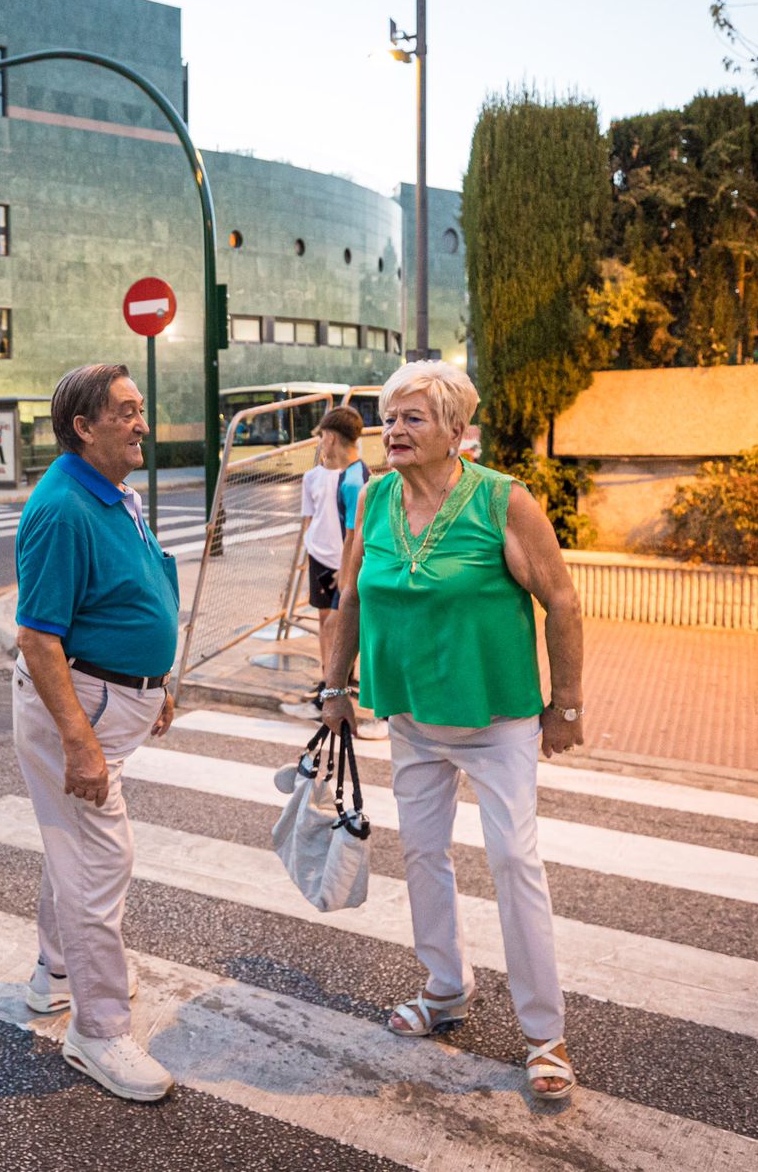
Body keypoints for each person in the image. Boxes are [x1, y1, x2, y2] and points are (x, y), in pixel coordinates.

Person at [317, 360, 584, 1101]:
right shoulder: (373, 500)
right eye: (389, 417)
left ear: (457, 432)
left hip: (495, 719)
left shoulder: (503, 500)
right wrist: (337, 686)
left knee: (512, 860)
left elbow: (561, 600)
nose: (393, 431)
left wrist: (566, 707)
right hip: (409, 714)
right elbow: (351, 596)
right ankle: (444, 989)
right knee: (424, 853)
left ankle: (544, 1033)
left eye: (413, 418)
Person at [12, 363, 180, 1103]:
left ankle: (55, 975)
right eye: (127, 412)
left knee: (72, 848)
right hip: (78, 708)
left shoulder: (114, 492)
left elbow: (140, 585)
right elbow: (37, 639)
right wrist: (79, 742)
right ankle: (100, 1028)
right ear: (84, 427)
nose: (142, 423)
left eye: (140, 410)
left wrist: (158, 676)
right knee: (98, 861)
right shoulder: (62, 509)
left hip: (116, 699)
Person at [279, 406, 377, 736]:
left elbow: (354, 535)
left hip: (346, 566)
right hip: (332, 562)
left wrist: (346, 574)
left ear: (331, 437)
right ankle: (332, 688)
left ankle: (336, 694)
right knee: (331, 624)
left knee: (340, 626)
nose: (321, 442)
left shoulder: (353, 480)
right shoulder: (351, 474)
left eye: (322, 436)